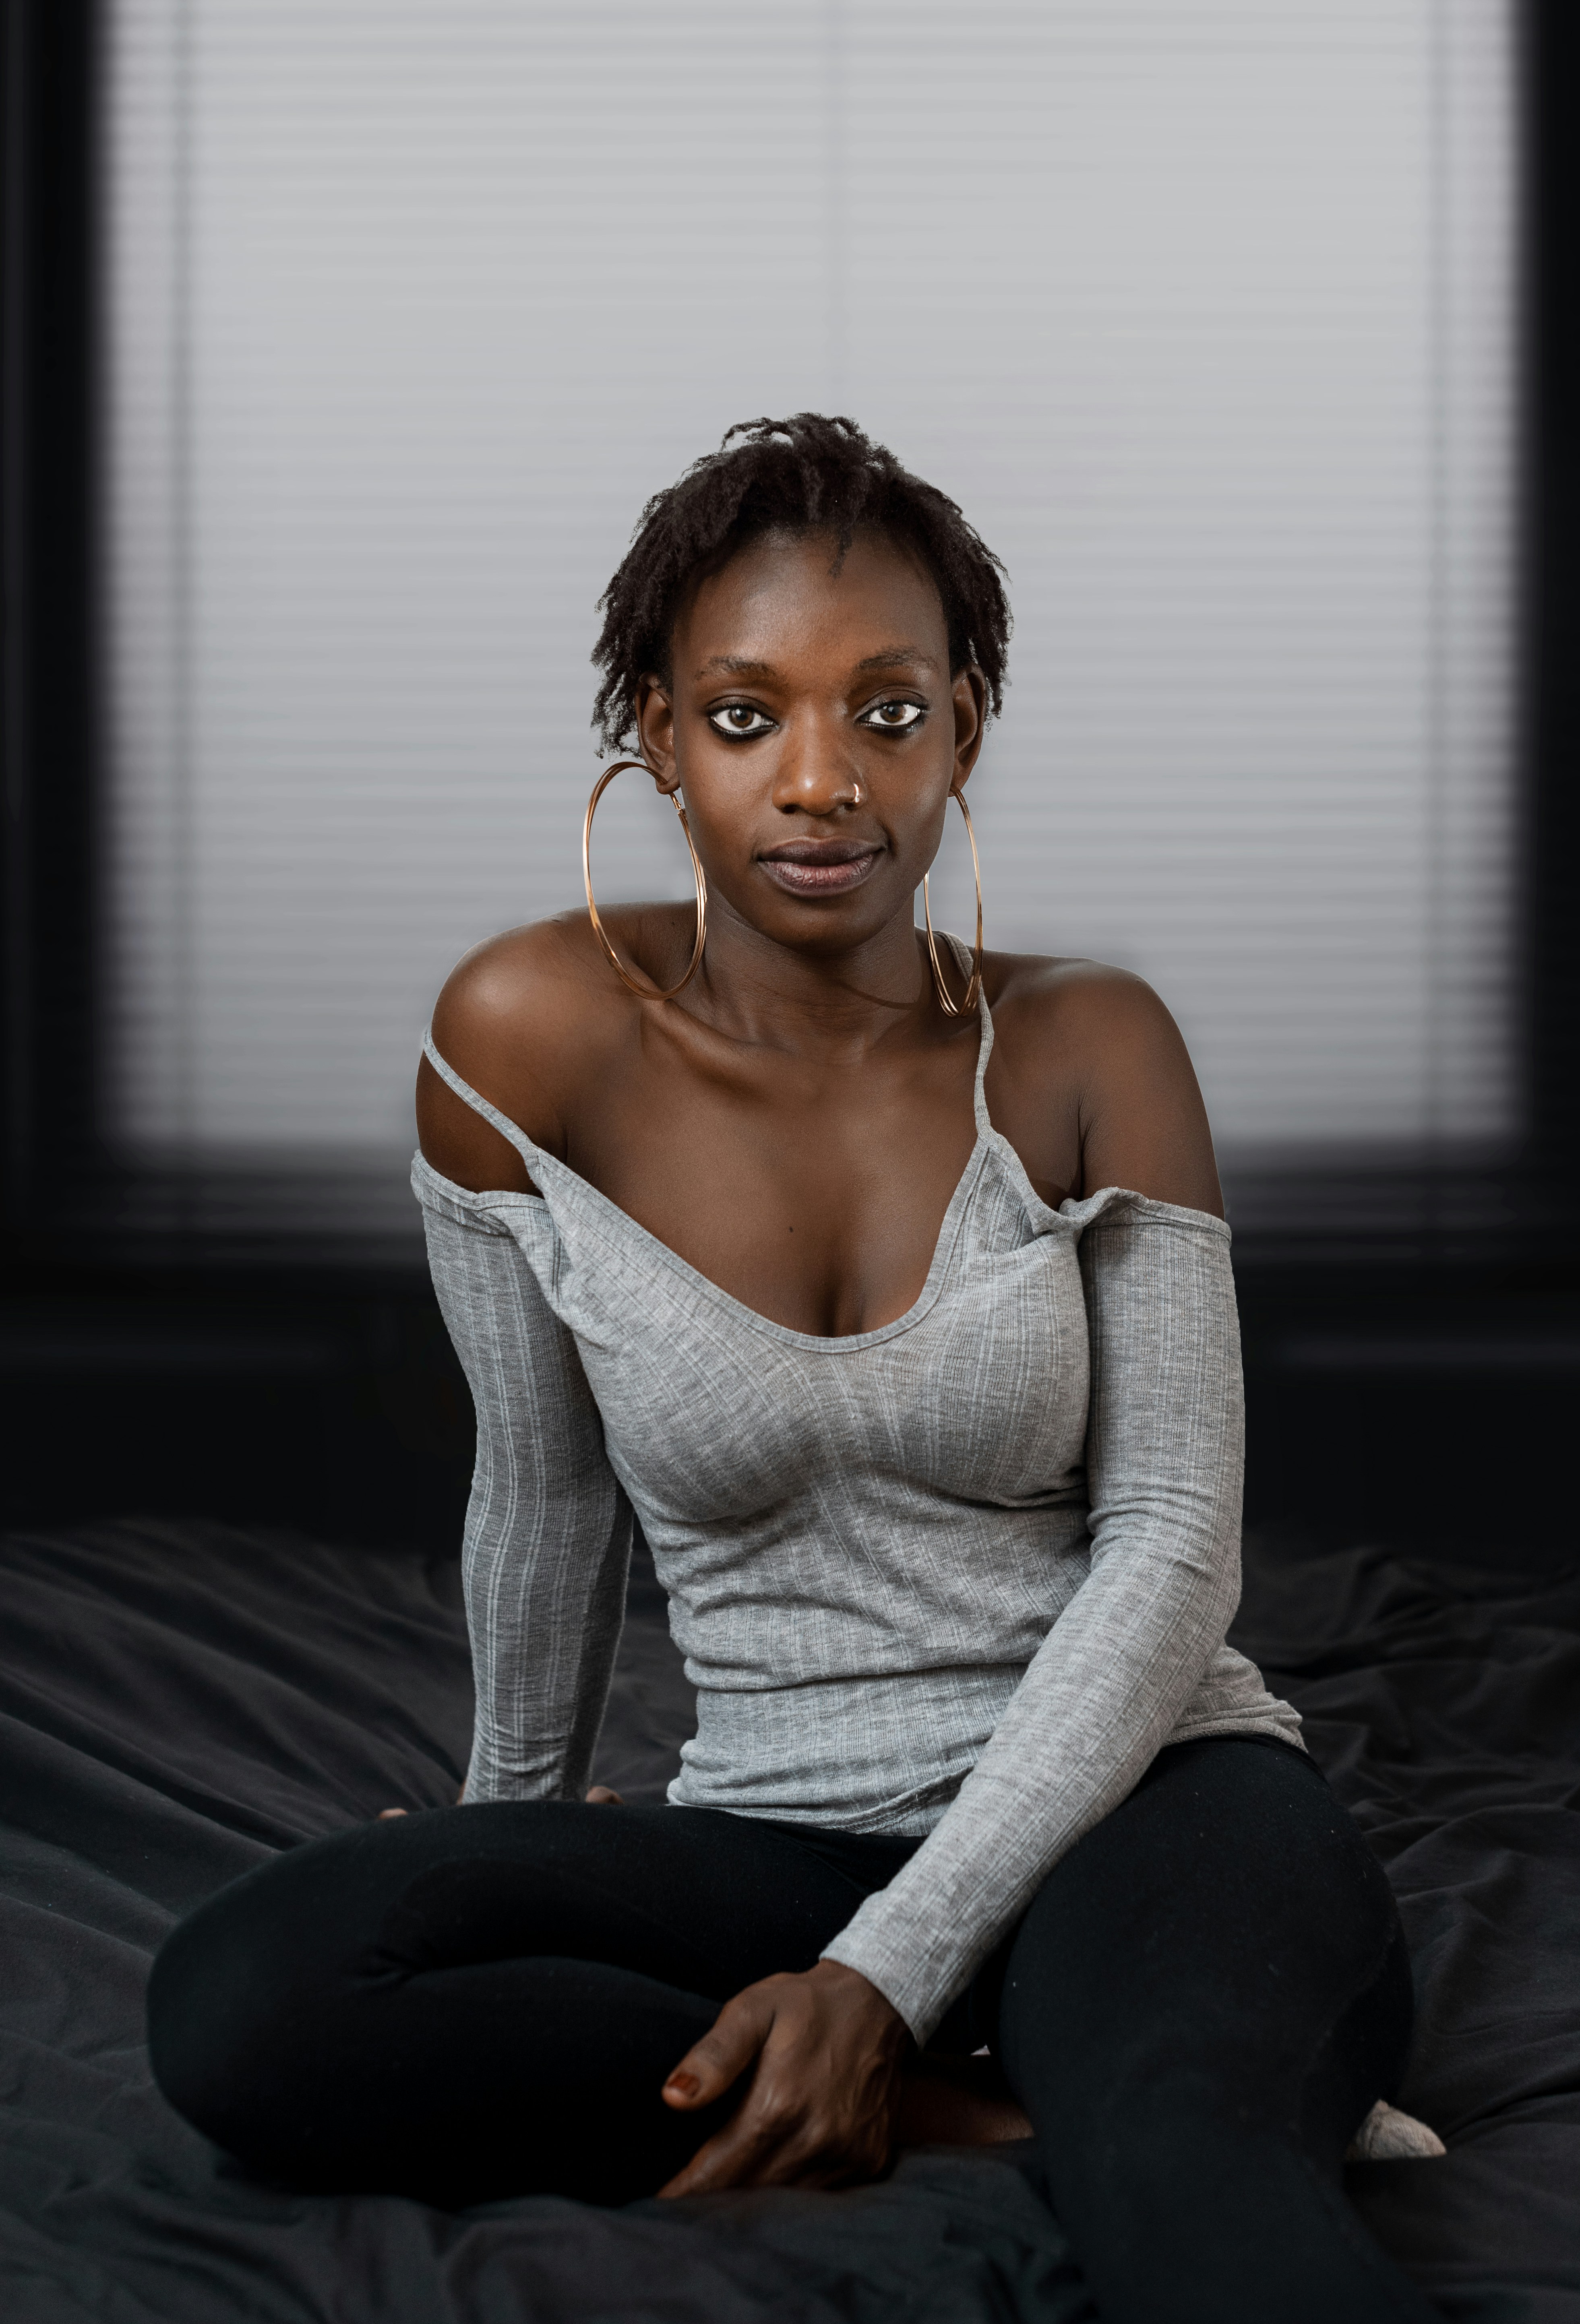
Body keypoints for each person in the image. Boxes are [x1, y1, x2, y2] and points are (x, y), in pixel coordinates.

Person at [148, 415, 1437, 2324]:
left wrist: (886, 1968)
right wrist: (509, 1829)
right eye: (745, 717)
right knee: (248, 1998)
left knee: (1179, 2166)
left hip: (1141, 1808)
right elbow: (547, 1487)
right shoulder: (518, 1039)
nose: (821, 782)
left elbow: (1170, 1544)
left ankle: (1078, 2069)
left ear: (964, 730)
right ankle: (964, 2109)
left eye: (886, 714)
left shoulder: (1091, 1045)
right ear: (656, 737)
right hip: (769, 1833)